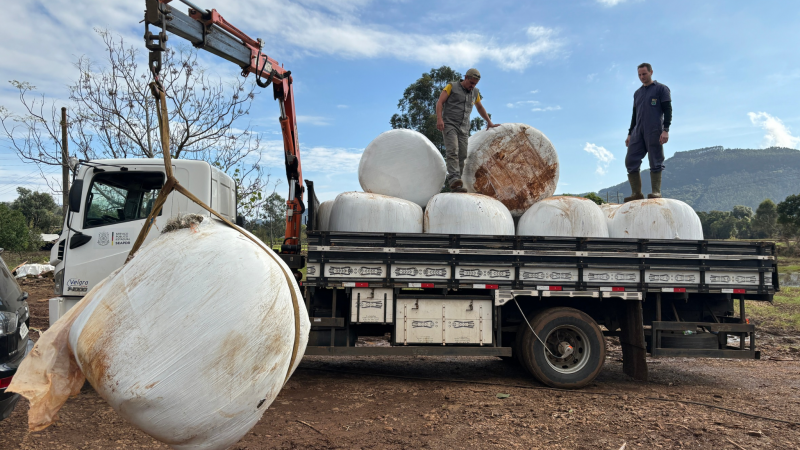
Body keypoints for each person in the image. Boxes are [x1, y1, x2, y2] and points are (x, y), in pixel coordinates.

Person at [436, 68, 499, 192]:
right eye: (471, 83)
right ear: (466, 78)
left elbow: (480, 107)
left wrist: (489, 122)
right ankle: (453, 179)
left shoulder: (475, 92)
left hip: (464, 128)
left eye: (475, 84)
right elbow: (440, 102)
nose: (473, 86)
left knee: (462, 154)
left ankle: (456, 185)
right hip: (450, 124)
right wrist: (439, 119)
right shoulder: (451, 86)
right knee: (453, 150)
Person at [624, 63, 672, 202]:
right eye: (639, 75)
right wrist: (630, 133)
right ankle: (636, 193)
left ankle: (656, 192)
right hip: (638, 130)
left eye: (644, 74)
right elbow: (634, 114)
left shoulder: (661, 89)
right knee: (630, 160)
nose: (641, 77)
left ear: (651, 72)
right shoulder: (637, 93)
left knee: (655, 159)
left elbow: (668, 110)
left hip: (654, 129)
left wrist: (666, 130)